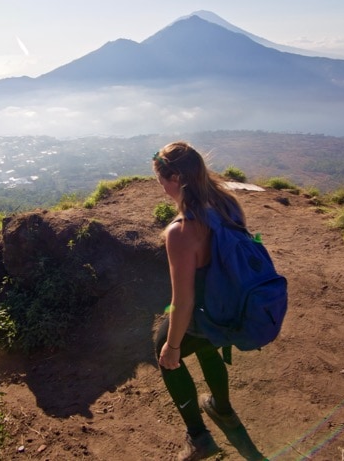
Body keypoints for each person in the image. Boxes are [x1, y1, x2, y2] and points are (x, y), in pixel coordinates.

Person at [152, 141, 250, 461]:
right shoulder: (228, 202)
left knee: (164, 348)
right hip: (230, 306)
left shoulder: (180, 232)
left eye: (162, 180)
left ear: (176, 178)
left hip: (204, 310)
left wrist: (173, 346)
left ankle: (199, 438)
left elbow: (183, 301)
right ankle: (223, 410)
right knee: (207, 345)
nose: (161, 187)